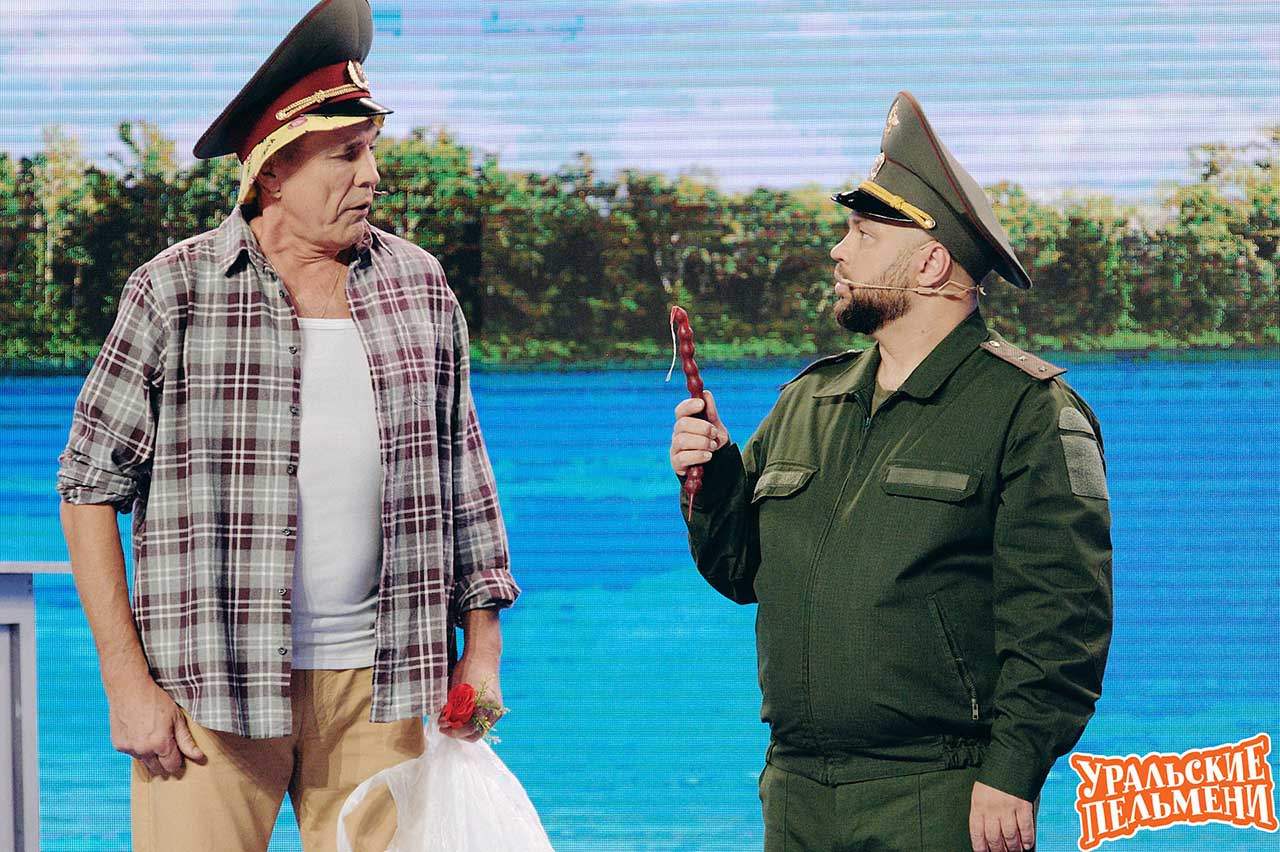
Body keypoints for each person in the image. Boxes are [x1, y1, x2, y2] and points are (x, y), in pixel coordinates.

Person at [55, 2, 519, 849]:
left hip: (387, 689)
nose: (372, 176)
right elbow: (87, 488)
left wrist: (480, 652)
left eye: (371, 149)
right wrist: (125, 682)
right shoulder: (174, 292)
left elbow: (466, 482)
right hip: (208, 693)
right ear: (272, 171)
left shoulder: (419, 285)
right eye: (347, 154)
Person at [669, 91, 1113, 852]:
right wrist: (710, 481)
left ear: (933, 263)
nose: (838, 252)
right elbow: (740, 572)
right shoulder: (808, 399)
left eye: (863, 234)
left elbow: (1062, 622)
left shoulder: (1029, 410)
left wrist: (1013, 771)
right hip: (796, 793)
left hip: (939, 794)